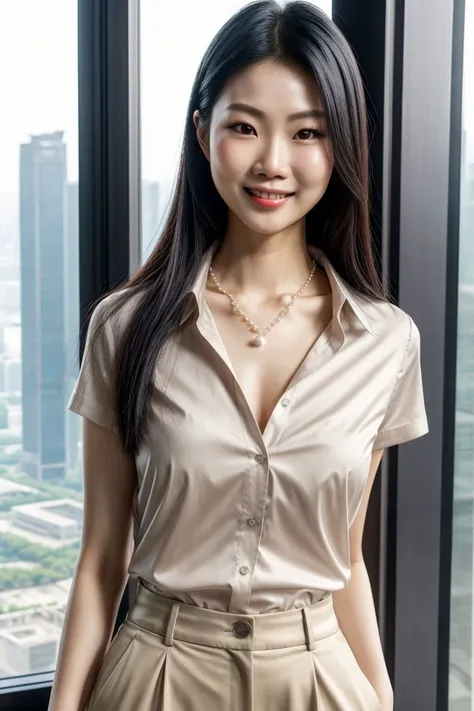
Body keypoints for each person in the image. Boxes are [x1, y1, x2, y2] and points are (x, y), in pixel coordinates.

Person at [48, 2, 429, 710]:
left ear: (340, 145)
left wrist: (379, 693)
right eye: (244, 126)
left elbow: (345, 558)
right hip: (157, 676)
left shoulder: (385, 342)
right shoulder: (126, 328)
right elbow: (102, 561)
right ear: (203, 131)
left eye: (307, 132)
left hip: (319, 679)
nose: (272, 162)